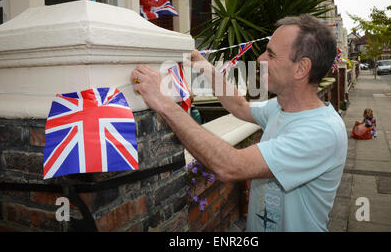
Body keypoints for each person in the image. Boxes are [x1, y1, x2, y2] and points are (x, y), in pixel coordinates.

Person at [130, 14, 348, 232]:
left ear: (301, 68)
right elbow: (240, 107)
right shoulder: (281, 107)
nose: (261, 59)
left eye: (271, 55)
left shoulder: (321, 132)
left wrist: (163, 103)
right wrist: (206, 68)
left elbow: (231, 165)